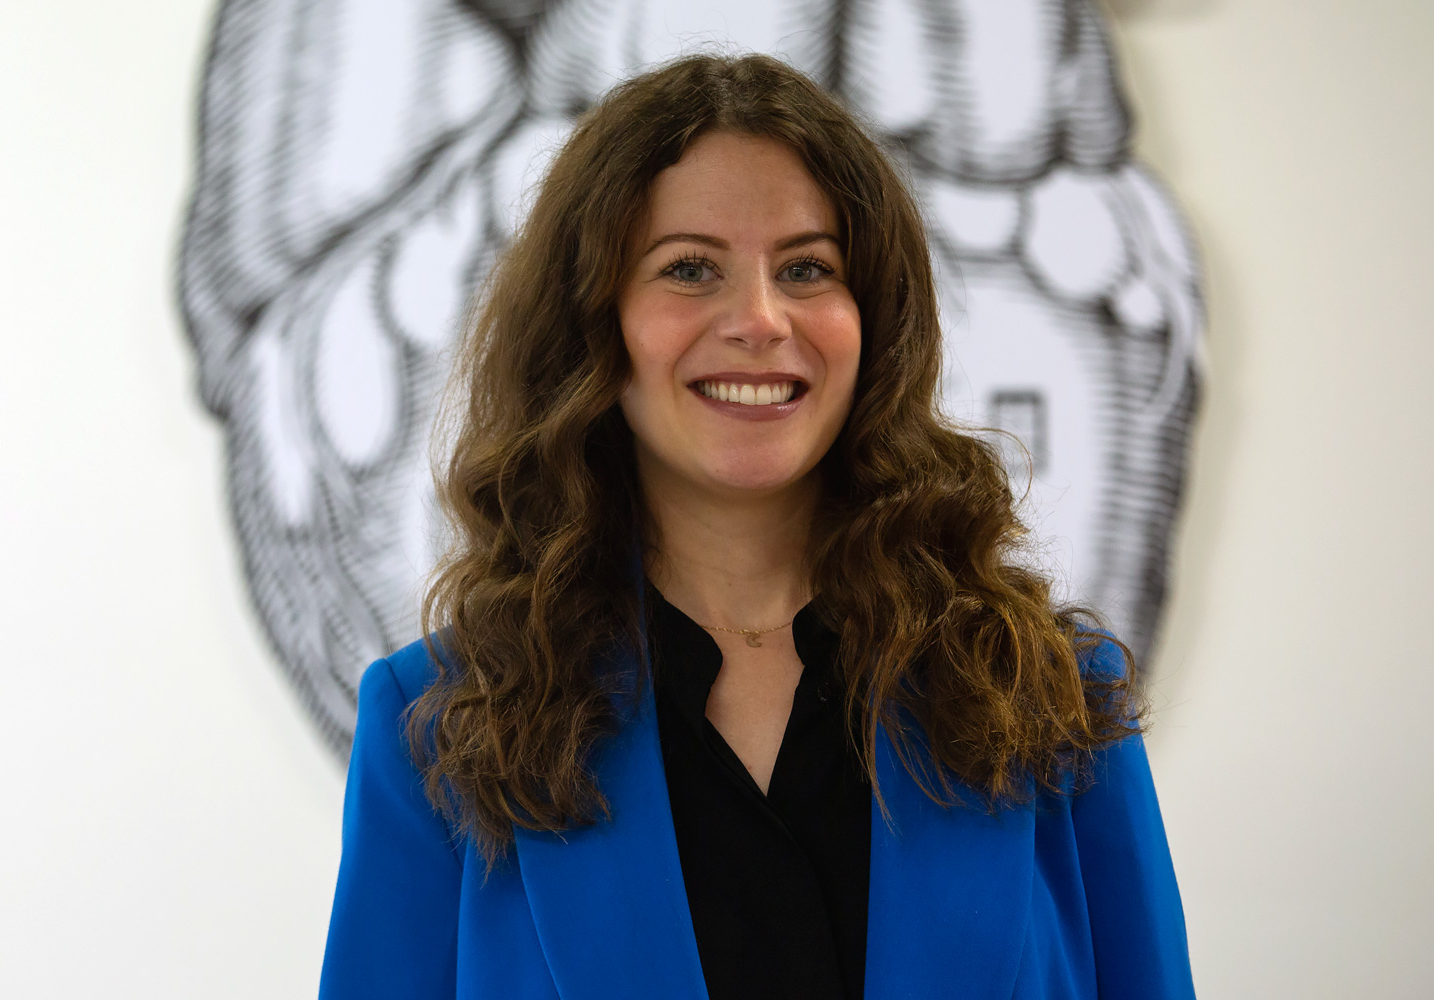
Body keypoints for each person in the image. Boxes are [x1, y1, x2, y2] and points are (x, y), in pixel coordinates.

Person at [318, 54, 1194, 1000]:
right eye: (689, 269)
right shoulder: (437, 730)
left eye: (807, 268)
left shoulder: (1055, 703)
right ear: (593, 323)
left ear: (875, 321)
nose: (761, 319)